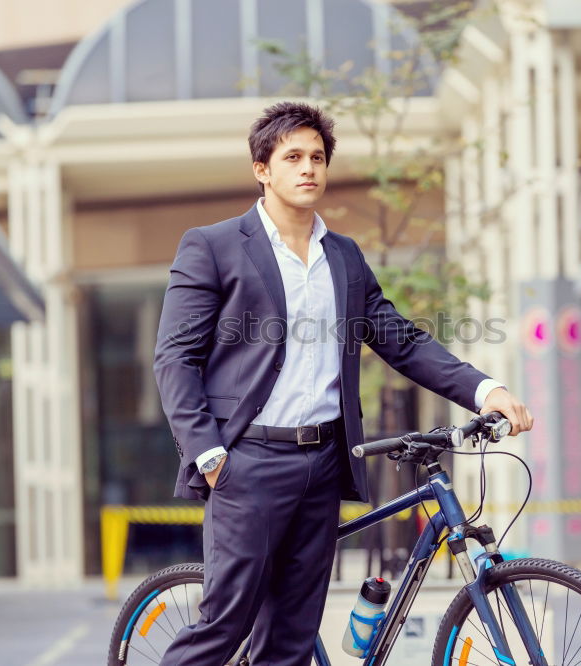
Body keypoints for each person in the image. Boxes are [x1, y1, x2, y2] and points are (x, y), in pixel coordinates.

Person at [153, 101, 533, 666]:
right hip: (247, 462)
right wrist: (209, 454)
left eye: (317, 157)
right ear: (263, 169)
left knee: (290, 638)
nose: (308, 168)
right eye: (293, 157)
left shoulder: (344, 257)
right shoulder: (214, 245)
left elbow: (400, 340)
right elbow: (174, 357)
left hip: (323, 465)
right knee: (224, 627)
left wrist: (485, 390)